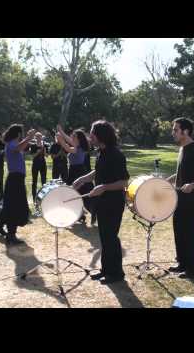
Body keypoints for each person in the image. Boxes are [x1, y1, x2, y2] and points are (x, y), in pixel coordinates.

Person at [73, 120, 129, 284]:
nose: (90, 136)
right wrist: (83, 179)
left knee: (111, 238)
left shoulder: (116, 155)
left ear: (100, 136)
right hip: (102, 202)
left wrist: (104, 187)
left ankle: (116, 274)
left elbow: (124, 182)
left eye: (92, 133)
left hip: (113, 203)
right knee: (105, 238)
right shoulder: (101, 152)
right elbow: (98, 171)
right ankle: (106, 270)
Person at [166, 117, 194, 279]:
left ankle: (193, 269)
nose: (173, 133)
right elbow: (182, 172)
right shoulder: (182, 149)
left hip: (192, 201)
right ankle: (182, 263)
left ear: (185, 131)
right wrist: (170, 179)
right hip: (179, 199)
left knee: (191, 235)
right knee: (179, 232)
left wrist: (192, 185)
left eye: (175, 130)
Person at [0, 125, 35, 244]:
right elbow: (18, 148)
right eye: (20, 134)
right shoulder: (11, 144)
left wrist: (29, 139)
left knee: (9, 205)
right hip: (15, 180)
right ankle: (11, 235)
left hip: (16, 179)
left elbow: (21, 147)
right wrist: (28, 137)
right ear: (17, 134)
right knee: (15, 207)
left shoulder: (12, 143)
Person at [56, 125, 94, 224]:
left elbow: (67, 148)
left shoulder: (79, 148)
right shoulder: (77, 145)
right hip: (73, 171)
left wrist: (60, 139)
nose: (71, 137)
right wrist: (61, 131)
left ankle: (88, 213)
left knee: (79, 194)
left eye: (74, 136)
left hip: (79, 172)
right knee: (74, 194)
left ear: (78, 139)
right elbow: (69, 141)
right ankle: (79, 214)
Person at [28, 132, 49, 202]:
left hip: (43, 164)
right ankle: (34, 197)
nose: (39, 138)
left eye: (40, 137)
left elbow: (46, 156)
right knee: (34, 181)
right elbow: (32, 156)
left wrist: (44, 150)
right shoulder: (33, 145)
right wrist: (38, 152)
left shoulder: (45, 145)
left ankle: (44, 196)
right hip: (35, 165)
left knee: (44, 181)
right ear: (35, 138)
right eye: (37, 137)